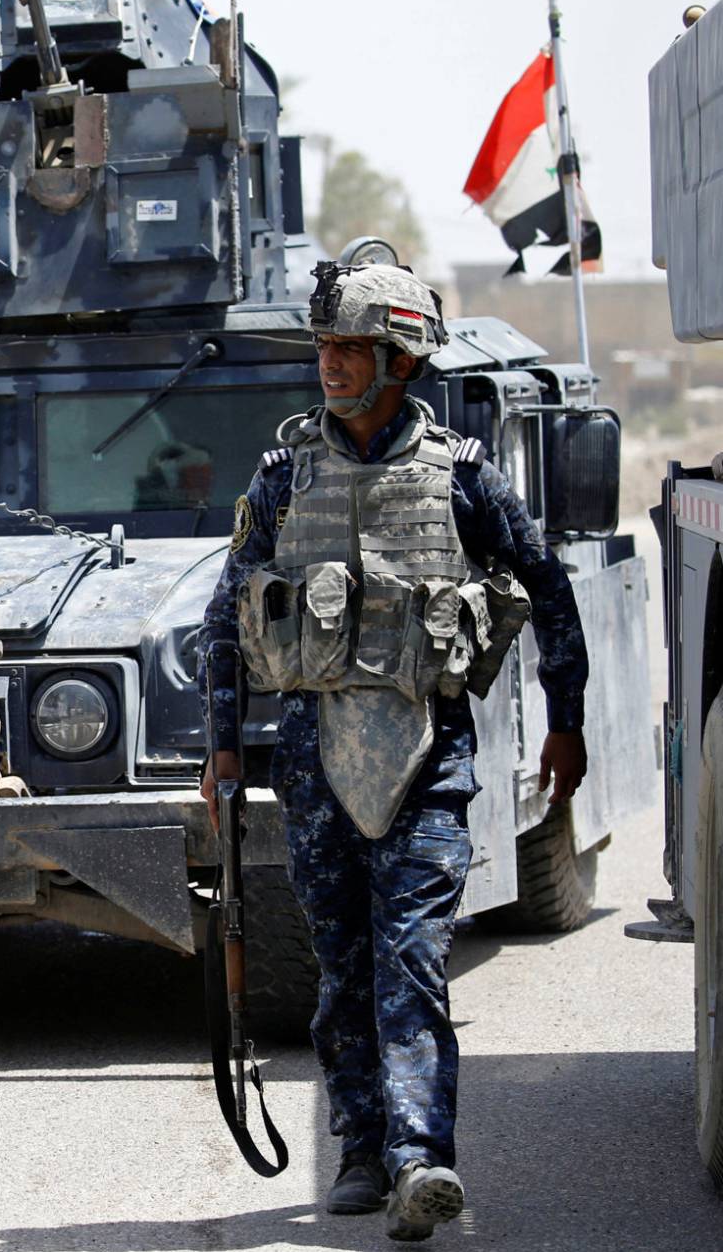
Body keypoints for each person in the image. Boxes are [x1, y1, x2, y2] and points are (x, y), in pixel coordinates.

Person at [196, 261, 589, 1241]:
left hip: (430, 755)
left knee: (411, 959)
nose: (328, 367)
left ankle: (420, 1158)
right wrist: (219, 749)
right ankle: (361, 1150)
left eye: (349, 349)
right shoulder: (283, 477)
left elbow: (545, 587)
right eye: (323, 348)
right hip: (314, 759)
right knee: (342, 968)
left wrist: (565, 718)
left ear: (399, 361)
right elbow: (227, 614)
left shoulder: (462, 476)